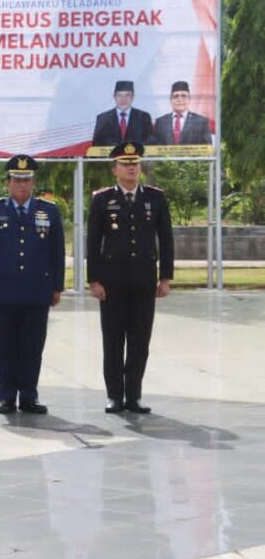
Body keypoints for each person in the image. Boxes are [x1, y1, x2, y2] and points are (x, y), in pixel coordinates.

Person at [0, 155, 65, 415]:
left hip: (37, 291)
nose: (23, 185)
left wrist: (57, 286)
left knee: (32, 347)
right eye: (17, 180)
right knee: (4, 346)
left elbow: (57, 252)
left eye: (27, 180)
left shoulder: (49, 211)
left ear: (34, 182)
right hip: (2, 291)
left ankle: (28, 395)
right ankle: (6, 396)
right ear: (8, 182)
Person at [87, 142, 174, 414]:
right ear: (115, 169)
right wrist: (95, 280)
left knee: (139, 341)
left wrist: (165, 278)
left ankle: (134, 396)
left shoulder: (155, 198)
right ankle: (115, 395)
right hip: (112, 284)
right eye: (125, 164)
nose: (131, 168)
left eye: (135, 164)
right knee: (113, 341)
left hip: (144, 282)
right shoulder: (102, 200)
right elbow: (93, 243)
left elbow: (166, 240)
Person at [92, 79, 154, 146]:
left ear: (132, 97)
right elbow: (96, 145)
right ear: (114, 97)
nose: (123, 99)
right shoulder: (103, 118)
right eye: (119, 95)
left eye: (127, 95)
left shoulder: (143, 117)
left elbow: (150, 144)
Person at [152, 81, 213, 145]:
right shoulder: (160, 122)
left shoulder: (201, 122)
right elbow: (155, 148)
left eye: (183, 96)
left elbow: (207, 149)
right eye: (176, 96)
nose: (179, 99)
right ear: (170, 100)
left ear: (189, 99)